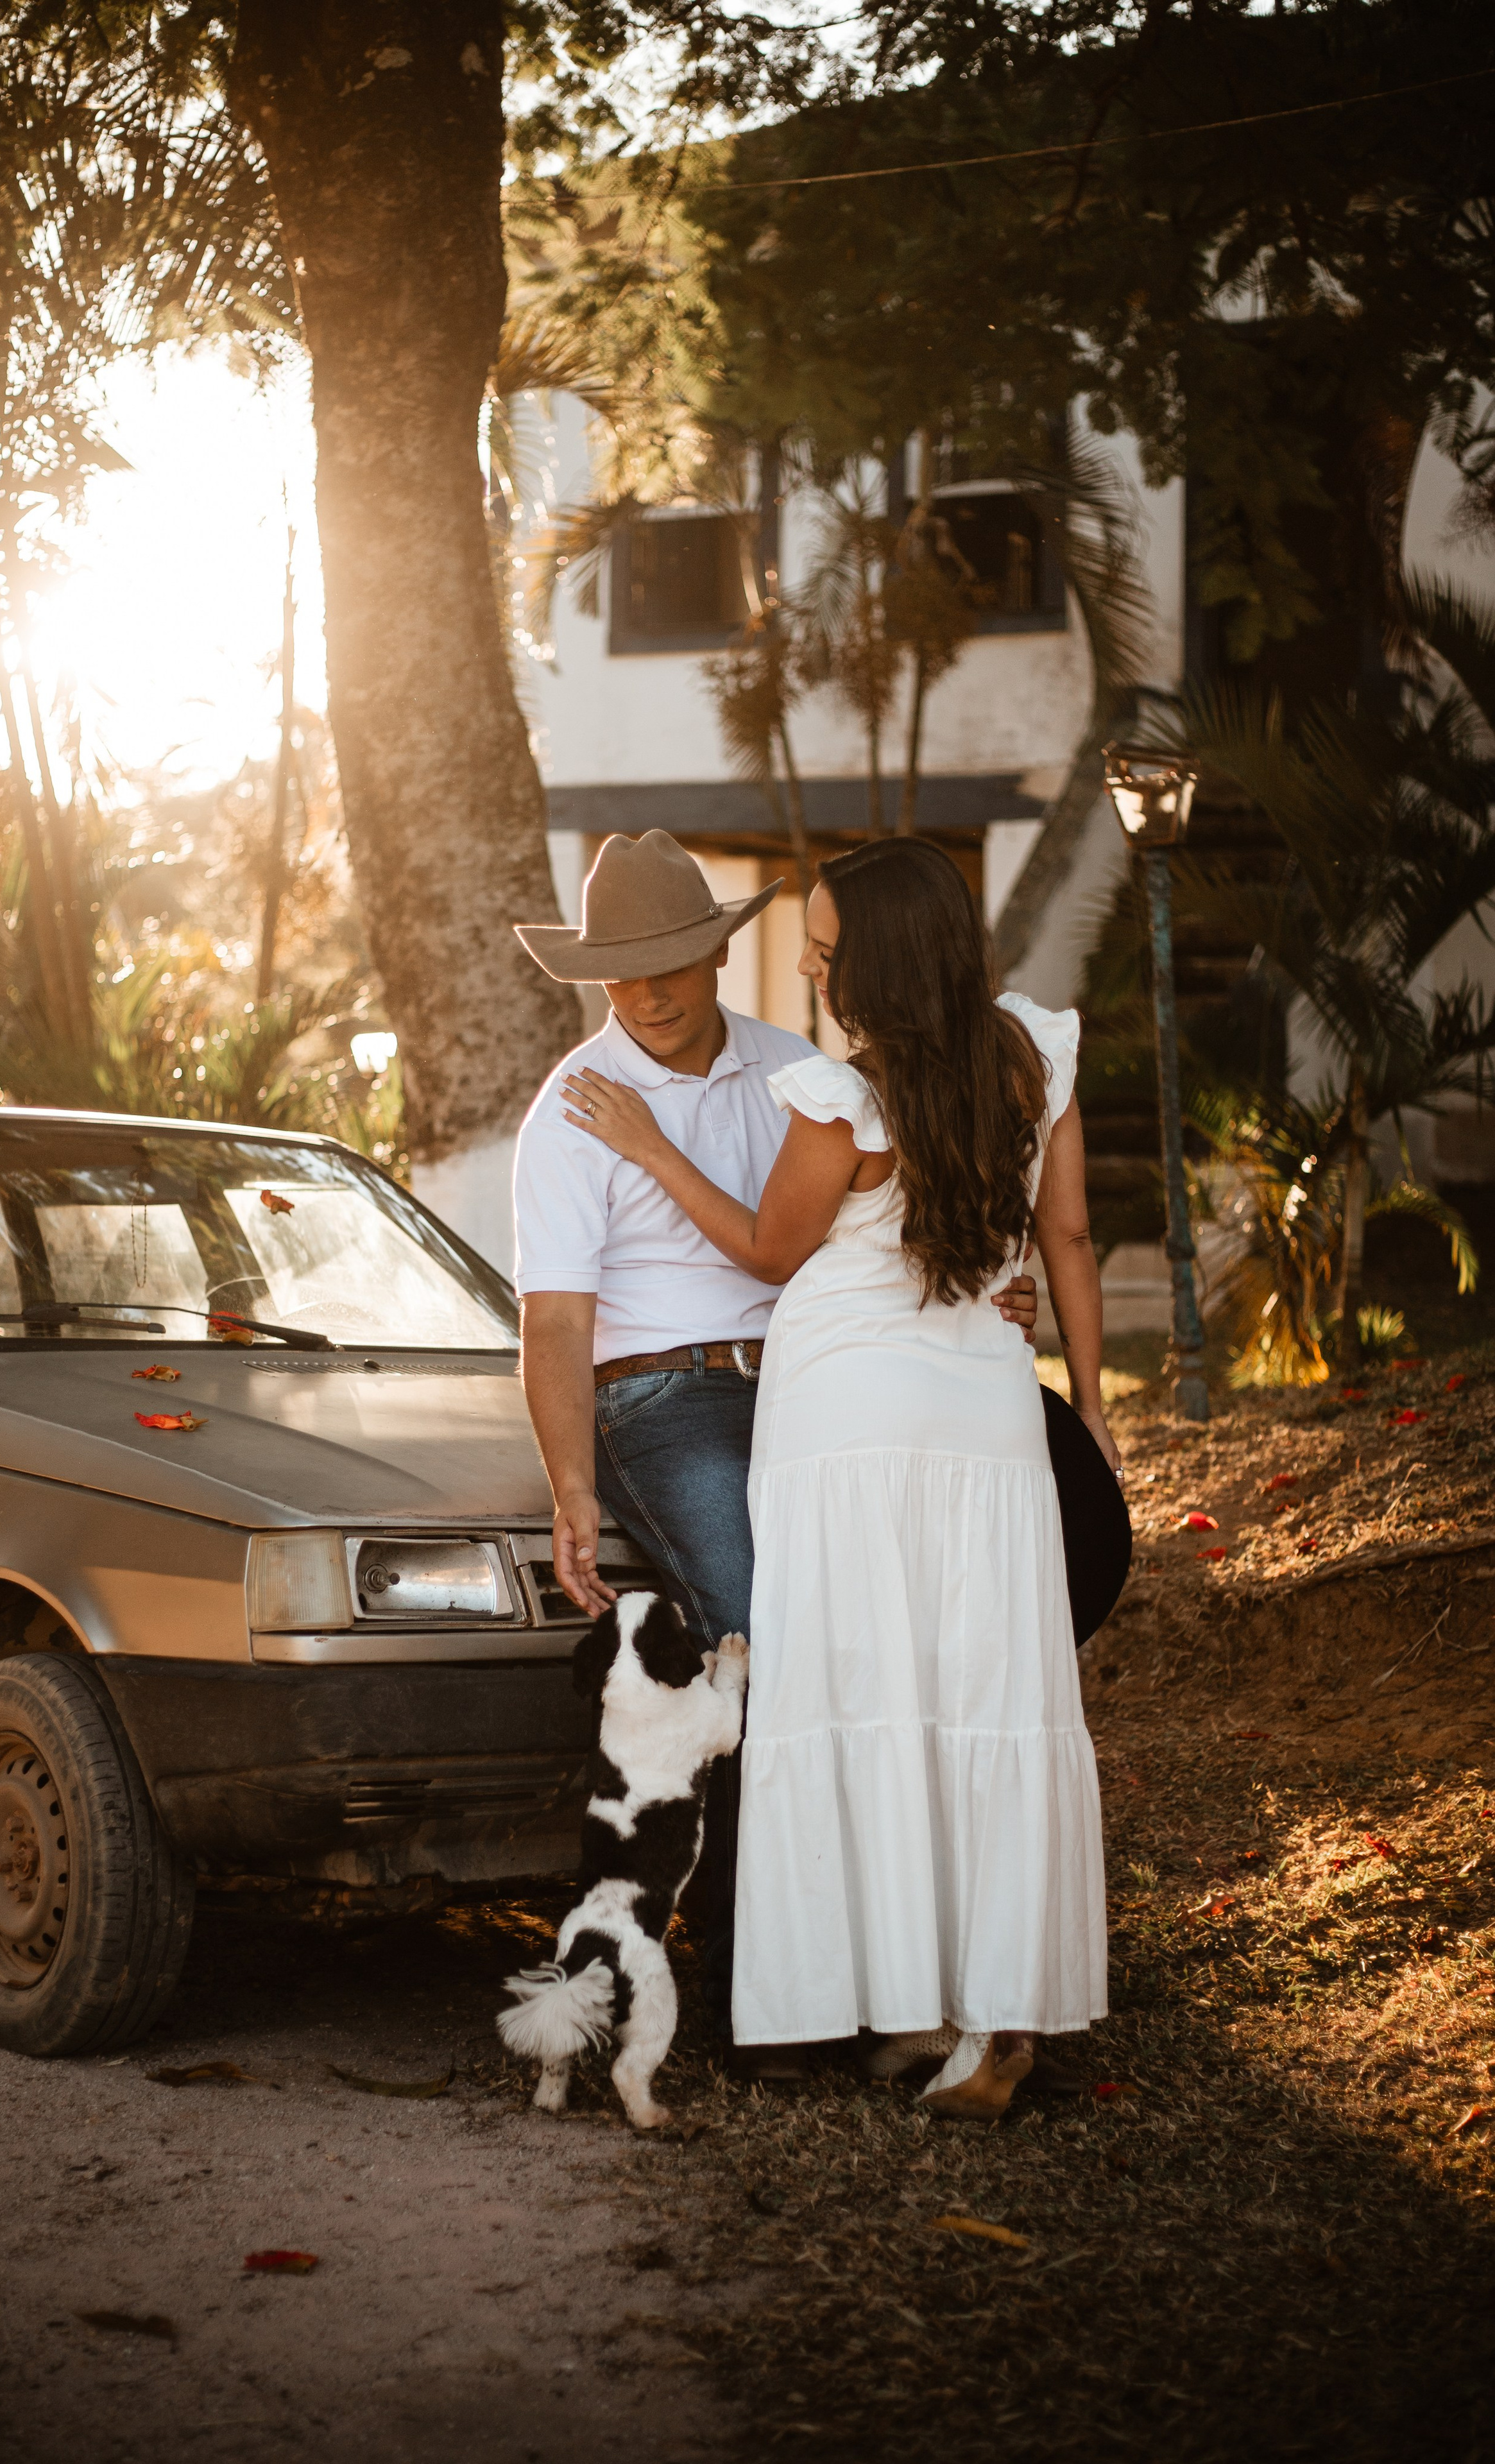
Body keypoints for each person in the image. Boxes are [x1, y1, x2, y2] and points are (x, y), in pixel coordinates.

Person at [559, 837, 1113, 2121]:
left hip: (842, 1433)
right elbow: (1069, 1235)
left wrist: (648, 1145)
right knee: (982, 1699)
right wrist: (1087, 1404)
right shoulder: (1034, 1058)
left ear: (884, 960)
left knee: (866, 1701)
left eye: (823, 950)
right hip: (983, 1423)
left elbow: (763, 1248)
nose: (807, 968)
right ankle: (979, 2020)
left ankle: (908, 2004)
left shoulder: (842, 1099)